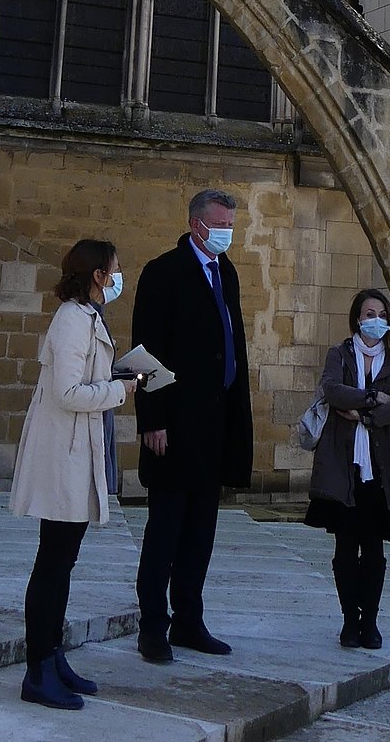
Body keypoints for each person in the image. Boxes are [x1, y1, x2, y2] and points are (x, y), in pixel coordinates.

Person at [10, 238, 136, 711]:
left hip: (78, 452)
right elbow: (67, 391)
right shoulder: (71, 319)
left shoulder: (88, 317)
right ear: (99, 274)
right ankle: (37, 669)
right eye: (116, 269)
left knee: (62, 564)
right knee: (52, 564)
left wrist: (117, 379)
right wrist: (119, 390)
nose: (120, 276)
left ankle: (52, 655)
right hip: (63, 454)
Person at [131, 188, 253, 663]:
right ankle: (152, 627)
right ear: (196, 223)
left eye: (231, 225)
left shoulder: (227, 272)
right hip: (175, 427)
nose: (226, 233)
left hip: (215, 426)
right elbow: (146, 352)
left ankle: (188, 619)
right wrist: (153, 419)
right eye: (219, 224)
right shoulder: (164, 273)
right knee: (165, 531)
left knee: (201, 532)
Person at [304, 288, 390, 650]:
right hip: (343, 465)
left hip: (381, 468)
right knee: (345, 547)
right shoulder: (340, 354)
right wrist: (371, 398)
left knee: (375, 549)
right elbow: (333, 390)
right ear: (357, 318)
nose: (376, 319)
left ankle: (371, 621)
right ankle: (350, 619)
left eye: (382, 313)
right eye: (369, 313)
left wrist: (364, 416)